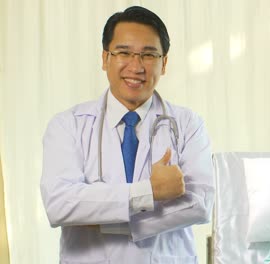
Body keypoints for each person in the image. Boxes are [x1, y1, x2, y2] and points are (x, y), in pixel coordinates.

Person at [40, 6, 214, 263]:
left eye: (148, 55)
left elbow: (199, 204)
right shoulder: (68, 125)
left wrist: (103, 215)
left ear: (164, 63)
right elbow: (60, 205)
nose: (136, 66)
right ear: (105, 58)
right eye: (123, 53)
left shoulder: (188, 125)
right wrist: (150, 192)